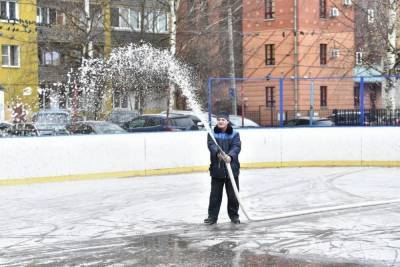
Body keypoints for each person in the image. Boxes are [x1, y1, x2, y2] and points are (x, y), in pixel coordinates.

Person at [204, 111, 241, 225]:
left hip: (232, 170)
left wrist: (230, 156)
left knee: (233, 196)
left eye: (223, 120)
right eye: (219, 119)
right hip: (217, 170)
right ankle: (212, 217)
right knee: (215, 196)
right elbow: (211, 145)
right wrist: (218, 154)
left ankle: (234, 216)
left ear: (227, 122)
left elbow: (236, 146)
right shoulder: (212, 133)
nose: (220, 121)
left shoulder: (235, 133)